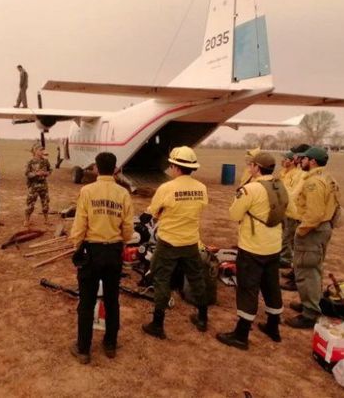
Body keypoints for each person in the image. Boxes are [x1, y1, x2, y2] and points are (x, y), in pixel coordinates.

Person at [68, 152, 134, 364]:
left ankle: (83, 349)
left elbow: (80, 223)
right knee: (112, 300)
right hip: (113, 252)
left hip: (92, 252)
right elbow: (128, 227)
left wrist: (76, 246)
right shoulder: (123, 193)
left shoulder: (87, 191)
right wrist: (120, 242)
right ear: (115, 169)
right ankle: (110, 344)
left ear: (96, 168)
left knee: (86, 302)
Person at [216, 152, 286, 350]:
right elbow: (292, 211)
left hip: (253, 246)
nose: (249, 167)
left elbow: (234, 214)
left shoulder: (250, 189)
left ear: (256, 167)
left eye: (251, 165)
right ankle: (273, 326)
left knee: (248, 287)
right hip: (274, 245)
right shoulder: (281, 185)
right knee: (271, 285)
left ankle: (241, 334)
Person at [141, 146, 209, 339]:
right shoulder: (201, 188)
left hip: (169, 242)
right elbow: (199, 209)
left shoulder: (167, 188)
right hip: (190, 242)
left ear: (175, 167)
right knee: (196, 278)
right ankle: (203, 318)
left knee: (161, 278)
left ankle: (157, 324)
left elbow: (153, 211)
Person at [285, 146, 340, 329]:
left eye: (304, 159)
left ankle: (309, 313)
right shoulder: (328, 178)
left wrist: (301, 231)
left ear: (313, 161)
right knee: (314, 270)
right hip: (323, 228)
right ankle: (309, 303)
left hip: (312, 230)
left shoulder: (313, 182)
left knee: (307, 270)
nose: (300, 161)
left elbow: (314, 214)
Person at [277, 151, 301, 268]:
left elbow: (292, 194)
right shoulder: (283, 173)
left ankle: (286, 258)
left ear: (292, 161)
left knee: (287, 235)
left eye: (286, 159)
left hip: (292, 211)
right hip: (282, 208)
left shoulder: (297, 175)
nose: (283, 161)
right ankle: (283, 255)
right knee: (282, 233)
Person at [24, 144, 52, 226]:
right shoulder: (30, 162)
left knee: (46, 203)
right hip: (33, 186)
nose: (42, 152)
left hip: (43, 185)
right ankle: (26, 220)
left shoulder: (45, 161)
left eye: (42, 150)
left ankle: (46, 220)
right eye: (40, 150)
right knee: (30, 204)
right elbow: (27, 173)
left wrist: (46, 173)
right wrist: (36, 174)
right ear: (35, 151)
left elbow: (50, 170)